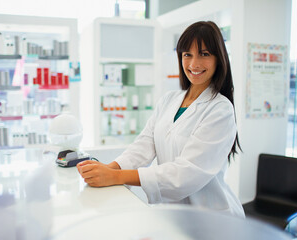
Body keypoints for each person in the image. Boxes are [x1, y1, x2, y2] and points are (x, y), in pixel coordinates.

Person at [77, 21, 245, 218]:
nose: (194, 64)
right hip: (172, 214)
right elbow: (143, 146)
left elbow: (186, 174)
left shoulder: (220, 109)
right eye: (187, 55)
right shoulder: (169, 100)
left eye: (204, 54)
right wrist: (108, 168)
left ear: (219, 59)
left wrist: (115, 176)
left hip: (210, 219)